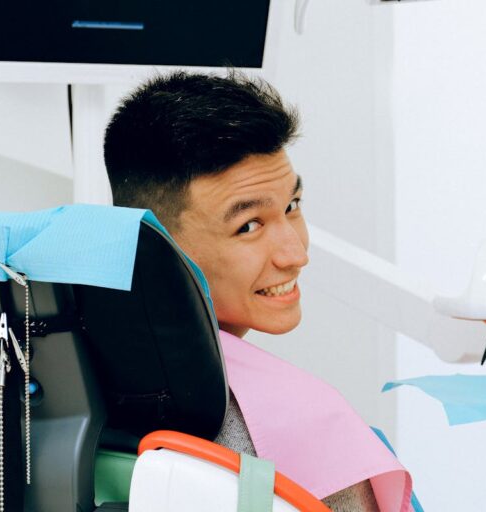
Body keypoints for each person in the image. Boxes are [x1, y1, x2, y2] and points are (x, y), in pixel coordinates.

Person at [103, 71, 409, 511]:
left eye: (292, 206)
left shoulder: (52, 380)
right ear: (159, 249)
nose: (295, 254)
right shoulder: (308, 428)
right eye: (248, 226)